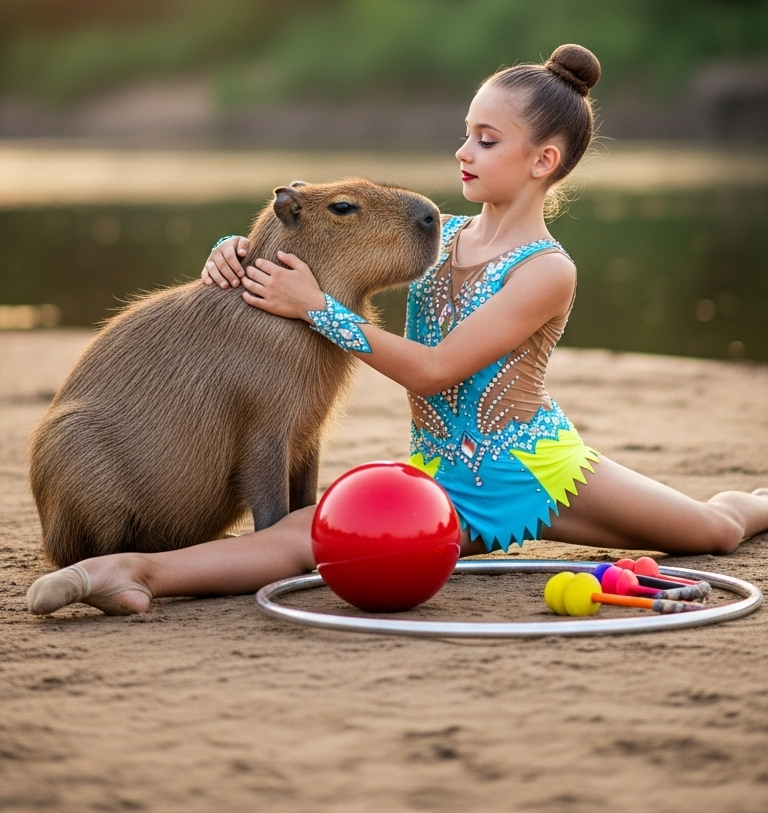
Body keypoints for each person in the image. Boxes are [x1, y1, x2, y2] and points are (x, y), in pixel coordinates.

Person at [27, 43, 768, 616]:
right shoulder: (437, 238)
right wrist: (237, 252)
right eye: (465, 135)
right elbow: (333, 241)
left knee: (709, 533)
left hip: (538, 469)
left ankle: (757, 499)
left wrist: (316, 309)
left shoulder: (547, 270)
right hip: (443, 477)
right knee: (296, 542)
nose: (463, 153)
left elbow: (437, 369)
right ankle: (125, 570)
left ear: (543, 161)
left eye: (485, 139)